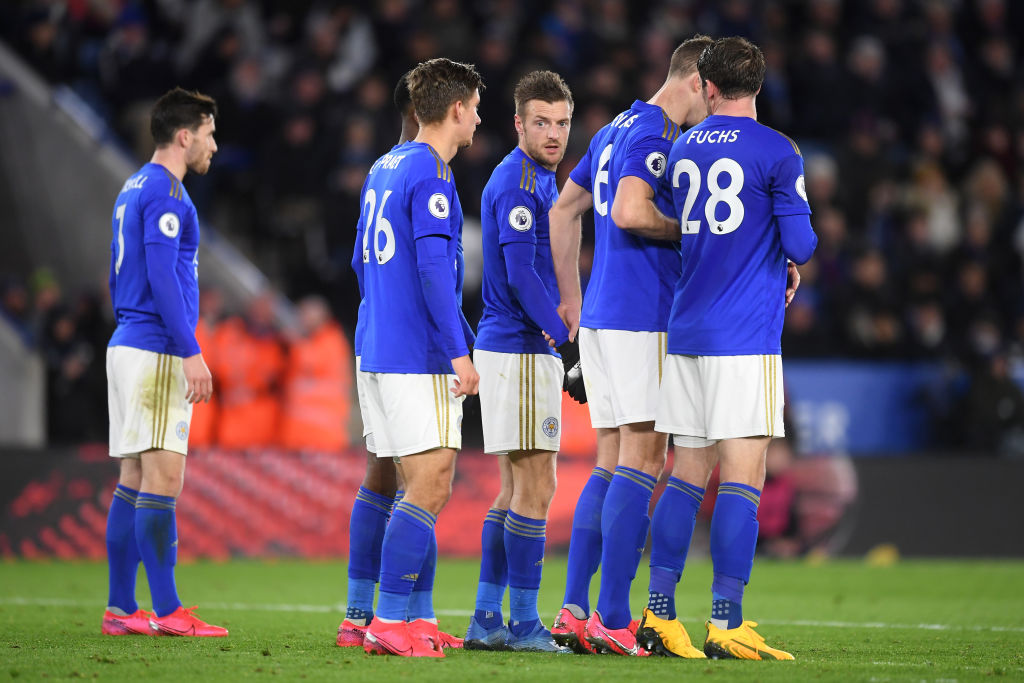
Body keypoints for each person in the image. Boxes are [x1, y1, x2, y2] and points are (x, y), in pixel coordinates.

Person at [648, 36, 816, 661]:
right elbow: (800, 244)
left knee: (686, 476)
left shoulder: (684, 146)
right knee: (743, 479)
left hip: (687, 332)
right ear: (758, 86)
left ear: (709, 88)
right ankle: (727, 621)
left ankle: (659, 614)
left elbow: (688, 227)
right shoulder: (778, 150)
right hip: (743, 337)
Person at [547, 35, 714, 657]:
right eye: (712, 95)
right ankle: (613, 619)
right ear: (696, 82)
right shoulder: (655, 136)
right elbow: (628, 212)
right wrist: (692, 230)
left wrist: (574, 302)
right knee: (643, 462)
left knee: (612, 461)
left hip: (602, 320)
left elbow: (565, 211)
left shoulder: (616, 127)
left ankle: (573, 608)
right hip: (644, 319)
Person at [354, 57, 482, 658]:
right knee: (430, 484)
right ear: (455, 109)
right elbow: (434, 271)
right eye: (476, 108)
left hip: (375, 344)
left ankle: (398, 616)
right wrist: (458, 351)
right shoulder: (431, 171)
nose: (478, 119)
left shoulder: (384, 165)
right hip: (415, 352)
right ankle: (387, 620)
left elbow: (361, 263)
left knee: (398, 482)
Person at [462, 70, 581, 654]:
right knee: (538, 483)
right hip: (520, 346)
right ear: (518, 123)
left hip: (513, 347)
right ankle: (526, 621)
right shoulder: (516, 181)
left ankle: (487, 617)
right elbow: (520, 276)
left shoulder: (542, 177)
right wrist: (567, 338)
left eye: (562, 122)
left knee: (513, 489)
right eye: (542, 122)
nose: (554, 133)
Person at [101, 87, 226, 637]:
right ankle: (170, 611)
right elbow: (160, 275)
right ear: (185, 135)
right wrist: (190, 350)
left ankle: (121, 609)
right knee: (163, 478)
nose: (214, 146)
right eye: (209, 133)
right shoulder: (168, 193)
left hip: (127, 342)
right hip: (154, 349)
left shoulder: (132, 186)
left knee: (133, 476)